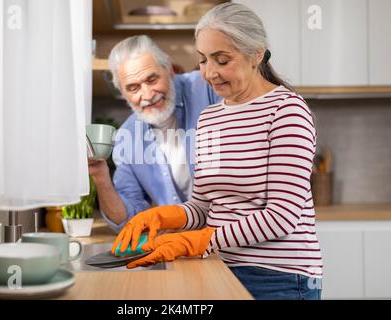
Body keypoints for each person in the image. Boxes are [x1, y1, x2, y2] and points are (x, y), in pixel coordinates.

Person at [112, 3, 322, 300]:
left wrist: (197, 241)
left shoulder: (287, 110)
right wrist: (162, 217)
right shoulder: (210, 118)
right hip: (218, 267)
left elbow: (281, 216)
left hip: (280, 277)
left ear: (257, 54)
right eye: (203, 60)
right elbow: (203, 208)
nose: (210, 73)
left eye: (222, 60)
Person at [88, 35, 220, 232]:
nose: (148, 95)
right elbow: (128, 221)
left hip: (233, 236)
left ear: (168, 68)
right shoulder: (127, 136)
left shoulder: (207, 88)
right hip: (181, 249)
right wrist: (101, 178)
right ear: (122, 92)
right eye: (133, 88)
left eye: (152, 79)